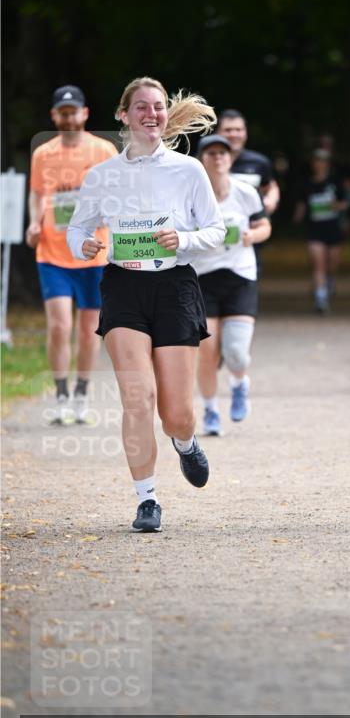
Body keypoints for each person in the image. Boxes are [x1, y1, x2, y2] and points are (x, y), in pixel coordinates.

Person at [67, 77, 226, 533]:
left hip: (175, 285)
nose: (151, 114)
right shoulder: (102, 175)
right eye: (141, 107)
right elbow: (79, 228)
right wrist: (84, 246)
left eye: (158, 107)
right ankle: (147, 499)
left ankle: (186, 441)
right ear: (123, 115)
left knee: (174, 411)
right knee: (139, 399)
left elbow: (215, 231)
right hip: (123, 286)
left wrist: (185, 238)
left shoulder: (187, 170)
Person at [26, 85, 117, 424]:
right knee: (60, 325)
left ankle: (81, 394)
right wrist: (34, 223)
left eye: (73, 112)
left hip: (93, 253)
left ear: (84, 113)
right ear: (54, 116)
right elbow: (38, 195)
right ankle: (61, 394)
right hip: (52, 251)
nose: (68, 118)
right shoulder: (43, 154)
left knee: (88, 329)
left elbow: (116, 193)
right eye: (62, 113)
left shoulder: (103, 149)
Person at [193, 134, 271, 435]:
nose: (218, 158)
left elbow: (264, 224)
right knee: (207, 351)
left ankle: (239, 383)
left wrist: (254, 236)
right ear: (202, 160)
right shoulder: (193, 196)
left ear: (230, 159)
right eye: (211, 153)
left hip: (240, 276)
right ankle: (211, 410)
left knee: (236, 351)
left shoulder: (245, 192)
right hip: (203, 279)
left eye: (223, 153)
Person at [293, 149, 350, 313]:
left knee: (332, 264)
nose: (319, 164)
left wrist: (337, 206)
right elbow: (301, 205)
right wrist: (297, 219)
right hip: (314, 229)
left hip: (333, 228)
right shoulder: (306, 184)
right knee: (319, 264)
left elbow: (345, 202)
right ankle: (321, 299)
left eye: (323, 161)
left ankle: (329, 281)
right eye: (316, 161)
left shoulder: (335, 182)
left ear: (327, 164)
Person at [217, 109, 280, 215]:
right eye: (228, 130)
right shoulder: (205, 161)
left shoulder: (259, 162)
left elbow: (271, 187)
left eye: (238, 130)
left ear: (245, 132)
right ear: (218, 132)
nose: (233, 134)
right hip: (215, 226)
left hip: (252, 226)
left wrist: (270, 201)